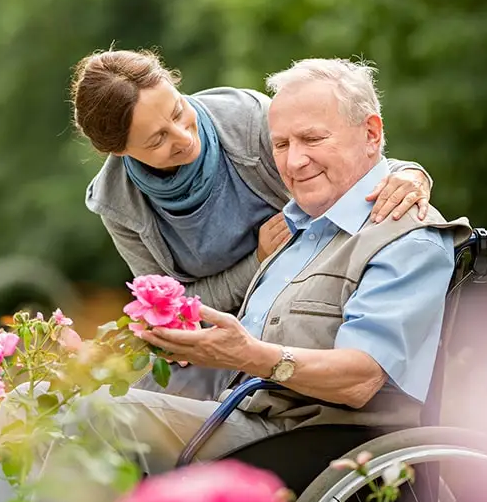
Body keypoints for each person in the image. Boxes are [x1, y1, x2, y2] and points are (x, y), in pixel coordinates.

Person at [0, 58, 470, 502]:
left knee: (91, 417)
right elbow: (181, 302)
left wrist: (249, 353)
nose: (294, 162)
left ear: (371, 133)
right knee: (36, 400)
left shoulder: (406, 235)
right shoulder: (300, 229)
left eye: (311, 140)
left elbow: (363, 379)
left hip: (310, 437)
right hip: (240, 409)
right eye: (282, 145)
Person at [71, 48, 435, 400]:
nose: (184, 137)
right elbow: (170, 309)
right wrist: (258, 260)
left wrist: (412, 174)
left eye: (178, 111)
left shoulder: (246, 120)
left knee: (102, 420)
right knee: (65, 408)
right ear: (120, 152)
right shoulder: (118, 203)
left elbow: (348, 151)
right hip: (216, 354)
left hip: (300, 329)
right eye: (157, 139)